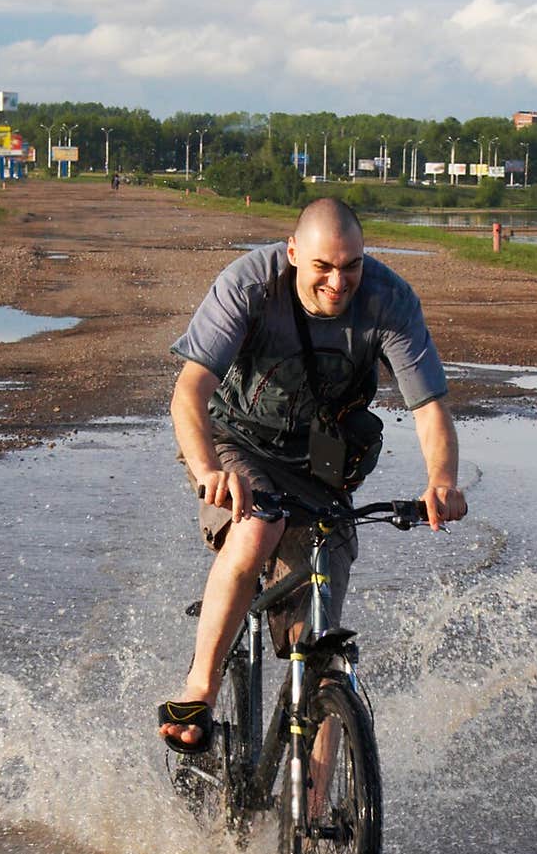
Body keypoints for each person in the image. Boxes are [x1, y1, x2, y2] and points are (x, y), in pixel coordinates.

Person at [159, 197, 466, 753]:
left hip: (322, 470)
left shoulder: (388, 300)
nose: (337, 281)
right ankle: (199, 689)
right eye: (323, 266)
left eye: (351, 266)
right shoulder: (250, 286)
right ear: (293, 251)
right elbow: (189, 392)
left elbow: (429, 409)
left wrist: (441, 480)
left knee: (324, 652)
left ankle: (321, 823)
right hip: (236, 444)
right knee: (256, 529)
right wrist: (207, 469)